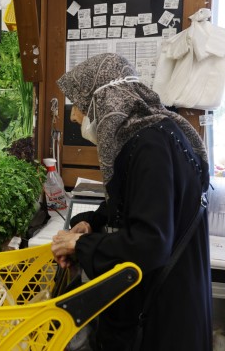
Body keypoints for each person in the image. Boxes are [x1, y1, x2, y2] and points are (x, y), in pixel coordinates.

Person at [51, 53, 212, 351]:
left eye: (82, 106)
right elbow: (132, 200)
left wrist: (79, 246)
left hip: (164, 317)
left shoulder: (150, 146)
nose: (75, 117)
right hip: (169, 299)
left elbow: (149, 242)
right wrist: (91, 223)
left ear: (106, 100)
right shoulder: (151, 134)